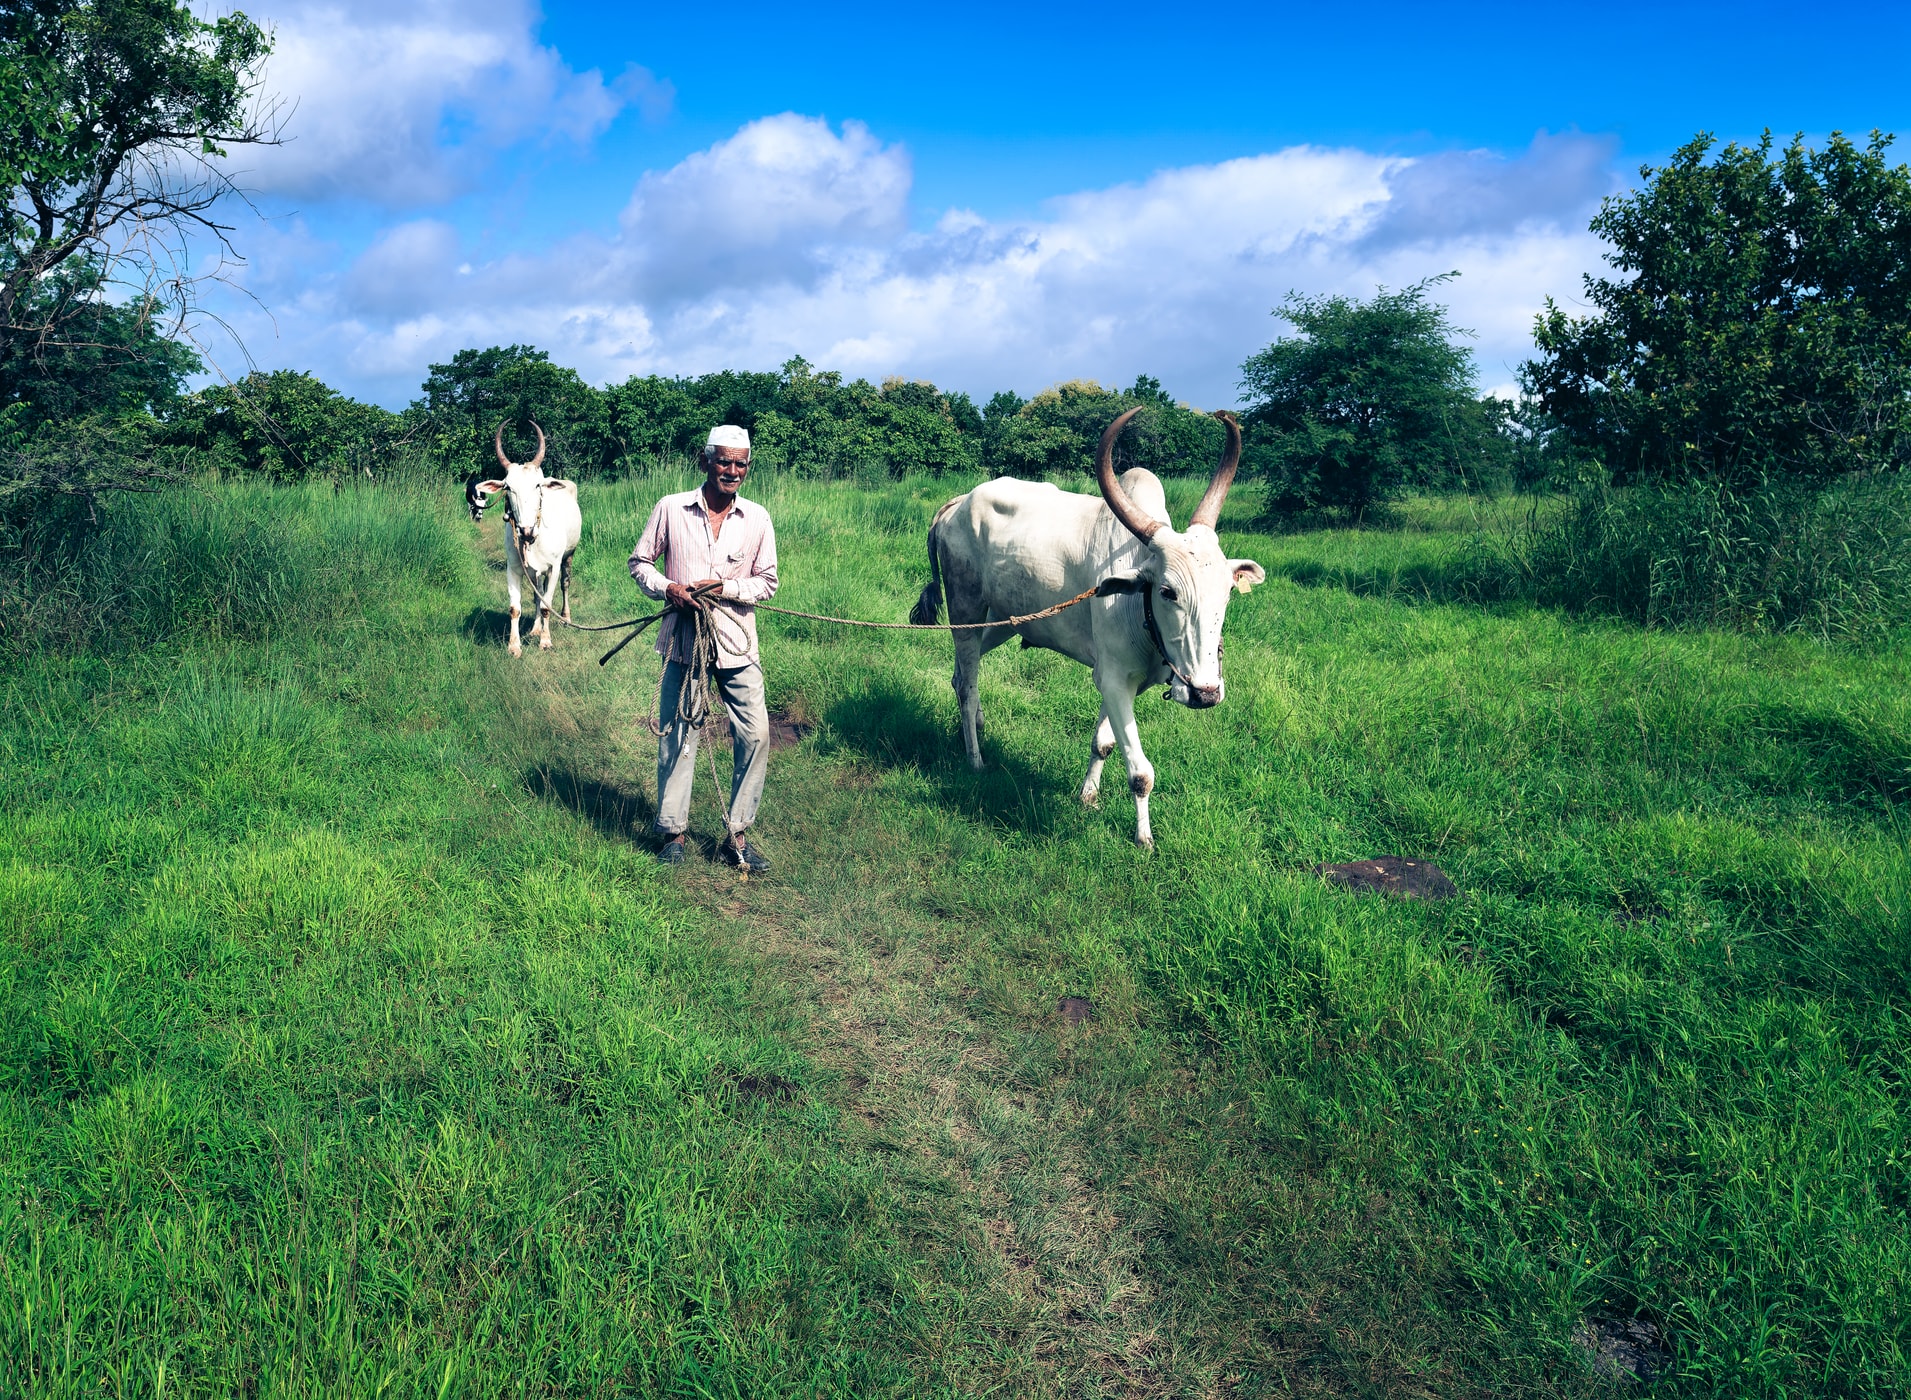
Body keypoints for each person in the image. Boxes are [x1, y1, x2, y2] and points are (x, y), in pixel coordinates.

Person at [629, 425, 779, 869]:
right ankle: (673, 834)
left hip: (736, 642)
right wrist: (669, 588)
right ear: (705, 462)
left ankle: (738, 834)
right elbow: (640, 562)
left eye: (740, 464)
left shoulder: (757, 518)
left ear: (747, 467)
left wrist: (726, 587)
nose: (732, 471)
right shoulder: (671, 508)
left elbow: (767, 582)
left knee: (756, 733)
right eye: (724, 462)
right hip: (684, 640)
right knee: (678, 733)